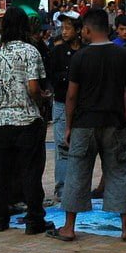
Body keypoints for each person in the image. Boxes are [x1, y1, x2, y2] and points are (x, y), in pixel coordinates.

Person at [51, 8, 126, 243]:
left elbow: (71, 96)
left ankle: (69, 227)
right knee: (119, 171)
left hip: (84, 123)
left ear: (88, 30)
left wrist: (68, 126)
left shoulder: (80, 57)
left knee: (77, 172)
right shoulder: (124, 56)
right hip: (114, 122)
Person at [0, 7, 50, 234]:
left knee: (1, 172)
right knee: (31, 171)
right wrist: (41, 100)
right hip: (27, 119)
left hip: (3, 120)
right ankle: (34, 219)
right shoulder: (30, 52)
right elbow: (34, 87)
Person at [49, 11, 83, 202]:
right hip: (62, 104)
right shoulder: (57, 52)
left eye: (68, 28)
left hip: (82, 106)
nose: (64, 32)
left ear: (78, 30)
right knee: (63, 146)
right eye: (63, 28)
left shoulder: (86, 51)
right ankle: (62, 187)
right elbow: (52, 78)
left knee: (81, 147)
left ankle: (78, 185)